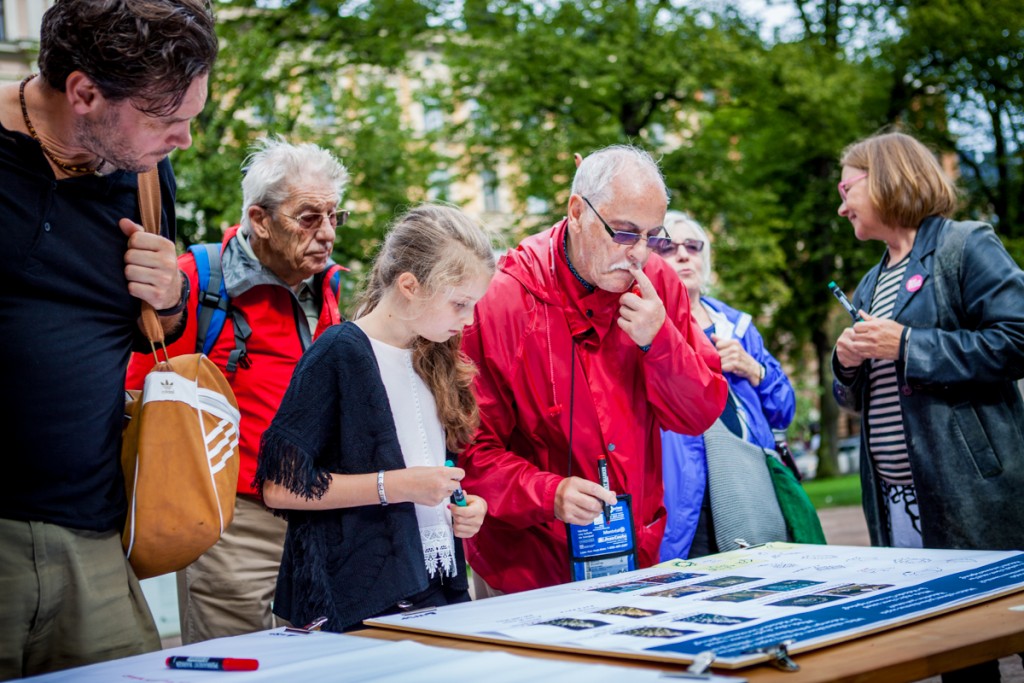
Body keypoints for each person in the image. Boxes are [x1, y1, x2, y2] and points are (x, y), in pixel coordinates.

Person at [0, 0, 217, 677]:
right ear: (85, 92)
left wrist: (172, 298)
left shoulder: (147, 174)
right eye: (168, 119)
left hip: (92, 536)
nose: (184, 138)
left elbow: (158, 334)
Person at [460, 145, 728, 595]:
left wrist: (660, 341)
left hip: (634, 556)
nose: (640, 253)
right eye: (623, 234)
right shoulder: (501, 299)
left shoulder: (658, 284)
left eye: (653, 236)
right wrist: (549, 494)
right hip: (526, 568)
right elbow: (470, 450)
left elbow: (698, 413)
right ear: (577, 211)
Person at [125, 137, 349, 643]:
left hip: (314, 513)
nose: (328, 233)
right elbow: (137, 393)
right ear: (261, 219)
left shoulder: (330, 286)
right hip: (232, 520)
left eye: (336, 215)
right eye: (310, 217)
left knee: (312, 660)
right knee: (234, 662)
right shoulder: (196, 281)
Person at [832, 131, 1024, 683]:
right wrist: (847, 365)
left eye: (848, 190)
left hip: (973, 493)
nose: (842, 206)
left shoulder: (965, 245)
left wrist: (911, 346)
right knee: (957, 650)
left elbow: (1017, 338)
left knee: (1009, 625)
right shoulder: (870, 283)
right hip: (899, 504)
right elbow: (859, 398)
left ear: (888, 178)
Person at [255, 204, 493, 632]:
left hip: (435, 584)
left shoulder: (433, 355)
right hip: (359, 595)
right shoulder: (339, 351)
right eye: (460, 303)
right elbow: (280, 488)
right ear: (409, 285)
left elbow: (430, 469)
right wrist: (396, 485)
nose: (468, 319)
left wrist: (463, 507)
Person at [658, 212, 796, 561]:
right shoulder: (648, 324)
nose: (684, 254)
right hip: (680, 496)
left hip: (746, 485)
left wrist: (753, 369)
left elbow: (784, 410)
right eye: (669, 247)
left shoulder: (737, 326)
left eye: (693, 246)